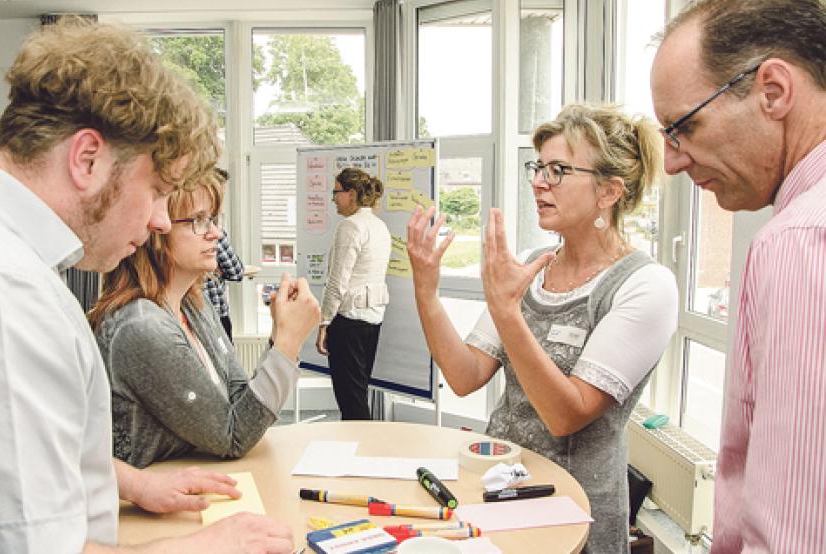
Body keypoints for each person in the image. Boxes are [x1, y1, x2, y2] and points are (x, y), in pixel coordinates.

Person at [0, 19, 294, 554]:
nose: (158, 221)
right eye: (155, 190)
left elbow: (13, 449)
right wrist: (208, 547)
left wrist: (130, 482)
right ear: (87, 159)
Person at [407, 104, 678, 553]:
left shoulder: (645, 285)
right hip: (498, 496)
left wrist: (507, 310)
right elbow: (464, 375)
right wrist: (425, 292)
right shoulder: (535, 264)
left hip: (575, 518)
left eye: (558, 170)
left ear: (609, 191)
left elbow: (567, 414)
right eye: (539, 167)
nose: (538, 181)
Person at [650, 1, 826, 551]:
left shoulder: (801, 240)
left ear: (772, 91)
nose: (673, 162)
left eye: (684, 127)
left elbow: (790, 532)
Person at [90, 174, 320, 464]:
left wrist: (281, 337)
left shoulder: (194, 303)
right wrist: (288, 343)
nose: (216, 234)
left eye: (213, 219)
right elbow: (234, 436)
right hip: (144, 505)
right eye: (198, 220)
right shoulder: (142, 328)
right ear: (156, 230)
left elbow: (240, 400)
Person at [315, 167, 391, 421]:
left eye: (336, 192)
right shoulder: (379, 226)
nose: (333, 198)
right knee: (358, 394)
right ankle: (360, 451)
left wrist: (324, 322)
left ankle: (360, 454)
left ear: (351, 193)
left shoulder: (350, 226)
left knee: (351, 403)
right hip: (372, 319)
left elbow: (337, 282)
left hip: (348, 322)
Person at [204, 170, 244, 341]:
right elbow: (235, 271)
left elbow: (236, 272)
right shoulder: (210, 231)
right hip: (206, 319)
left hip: (220, 314)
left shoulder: (215, 229)